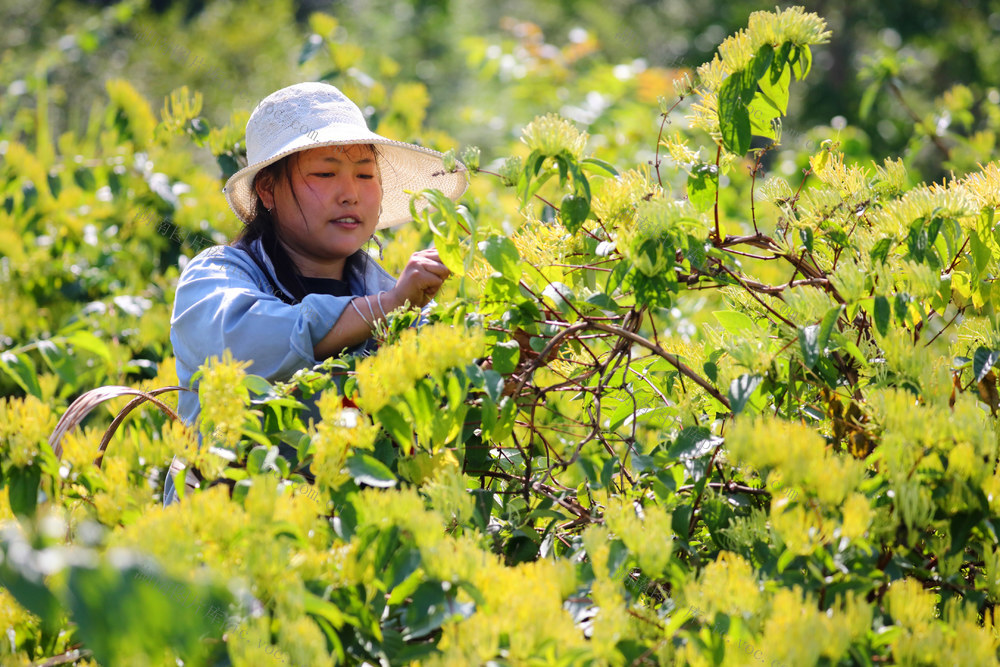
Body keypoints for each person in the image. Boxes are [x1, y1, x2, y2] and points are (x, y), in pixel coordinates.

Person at [162, 82, 467, 505]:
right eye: (325, 174)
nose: (351, 193)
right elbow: (247, 343)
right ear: (267, 190)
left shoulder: (383, 289)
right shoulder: (215, 277)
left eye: (365, 174)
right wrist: (390, 307)